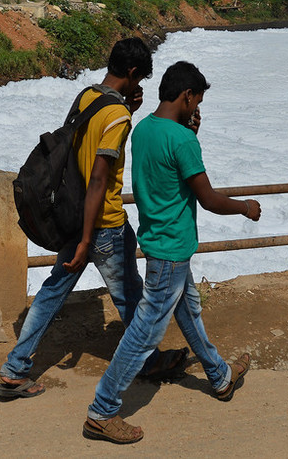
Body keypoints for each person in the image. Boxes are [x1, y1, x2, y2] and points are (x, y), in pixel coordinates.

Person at [0, 38, 186, 400]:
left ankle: (15, 369)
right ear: (131, 73)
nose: (141, 84)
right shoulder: (117, 117)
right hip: (103, 224)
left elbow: (81, 151)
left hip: (76, 215)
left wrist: (126, 106)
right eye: (140, 77)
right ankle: (145, 363)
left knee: (52, 293)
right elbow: (99, 177)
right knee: (132, 297)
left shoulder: (87, 97)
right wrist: (87, 240)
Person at [82, 61, 261, 444]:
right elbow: (208, 199)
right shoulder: (182, 140)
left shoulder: (144, 128)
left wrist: (187, 130)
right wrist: (245, 207)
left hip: (156, 240)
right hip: (172, 248)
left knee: (189, 310)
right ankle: (102, 410)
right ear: (186, 96)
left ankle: (220, 377)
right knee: (144, 333)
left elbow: (164, 172)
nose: (197, 108)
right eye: (196, 100)